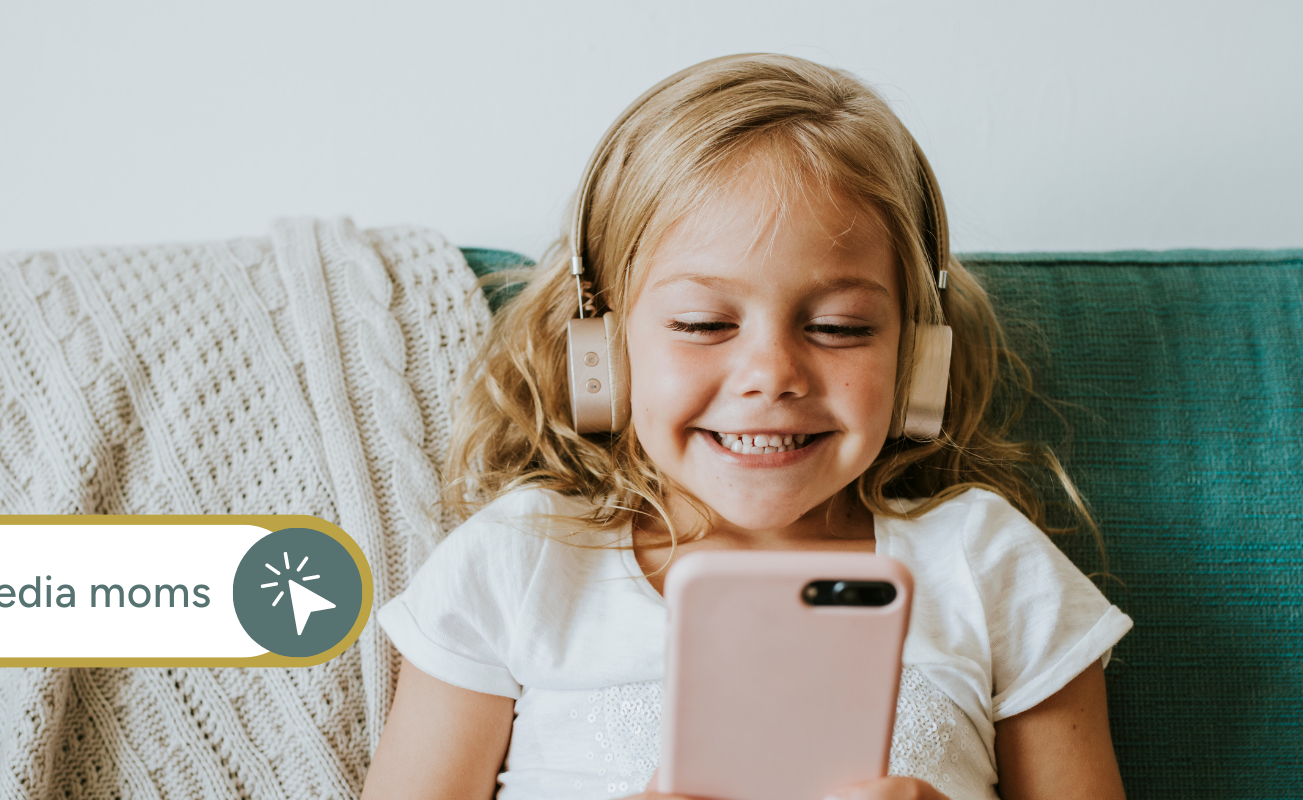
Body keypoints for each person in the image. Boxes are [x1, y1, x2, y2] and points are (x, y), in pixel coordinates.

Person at [361, 53, 1132, 800]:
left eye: (838, 326)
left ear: (918, 357)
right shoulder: (521, 561)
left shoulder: (986, 564)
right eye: (703, 323)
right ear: (602, 348)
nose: (773, 373)